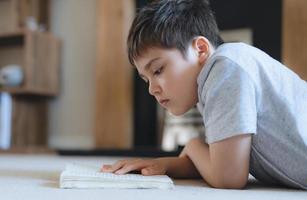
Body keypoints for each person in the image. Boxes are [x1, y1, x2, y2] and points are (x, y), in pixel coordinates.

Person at [101, 0, 307, 189]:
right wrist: (161, 164)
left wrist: (192, 144)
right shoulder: (214, 80)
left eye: (158, 70)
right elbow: (219, 161)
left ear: (200, 49)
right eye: (146, 79)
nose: (151, 89)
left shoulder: (226, 68)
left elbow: (228, 177)